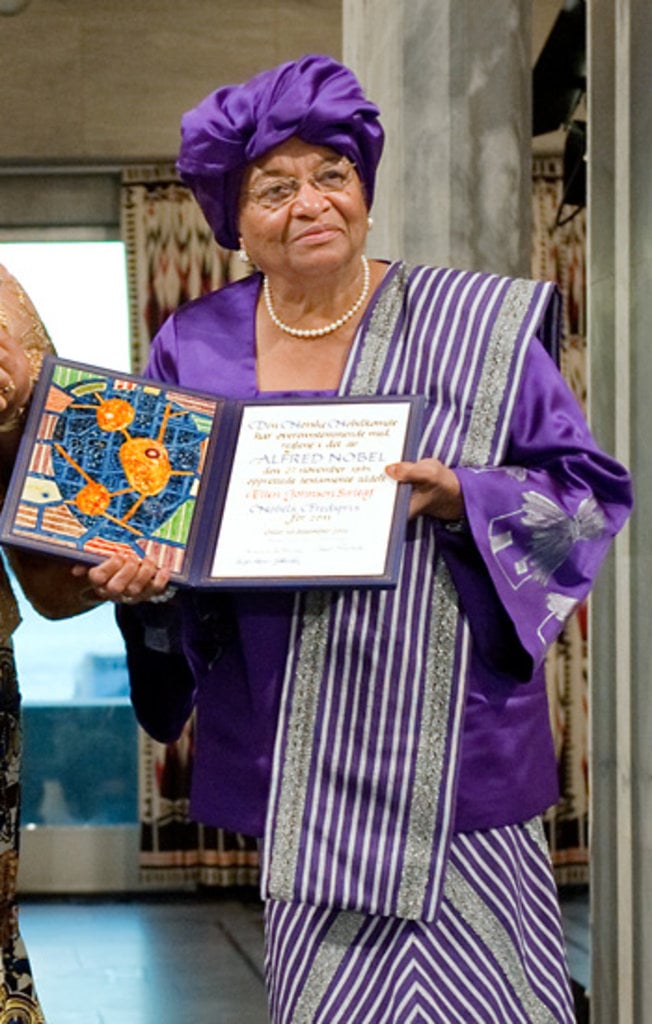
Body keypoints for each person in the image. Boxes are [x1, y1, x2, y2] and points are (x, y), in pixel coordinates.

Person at [73, 55, 631, 1023]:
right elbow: (157, 524)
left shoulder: (477, 325)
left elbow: (585, 494)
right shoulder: (191, 344)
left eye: (331, 174)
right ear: (233, 221)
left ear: (364, 188)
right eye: (275, 187)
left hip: (453, 754)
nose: (311, 203)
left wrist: (468, 495)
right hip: (301, 758)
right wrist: (149, 579)